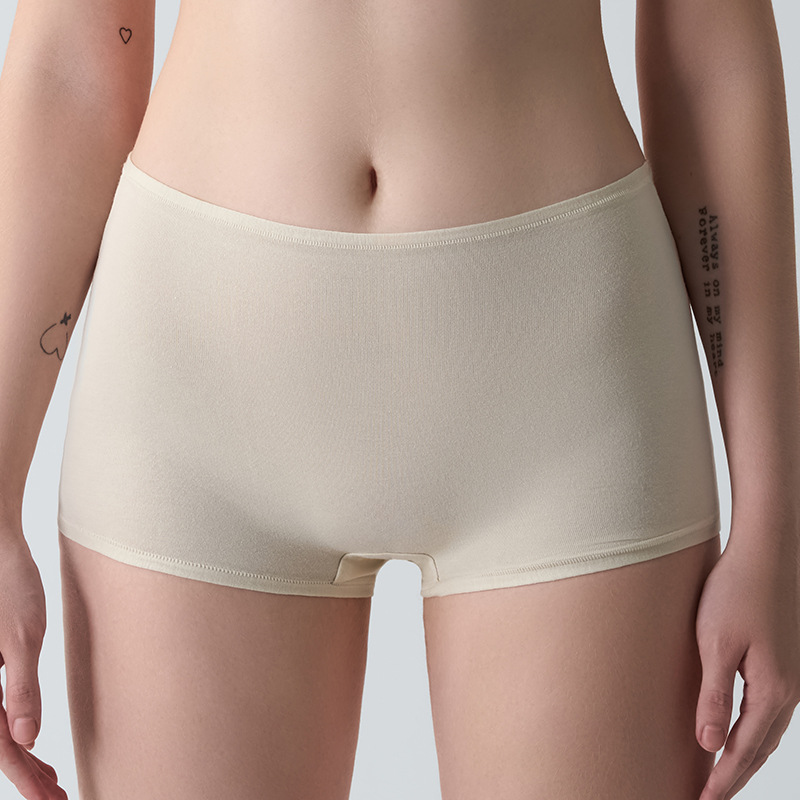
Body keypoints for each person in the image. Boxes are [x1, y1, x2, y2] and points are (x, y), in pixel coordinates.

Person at [1, 0, 799, 798]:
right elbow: (70, 62)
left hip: (568, 373)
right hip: (194, 376)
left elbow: (711, 52)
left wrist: (775, 522)